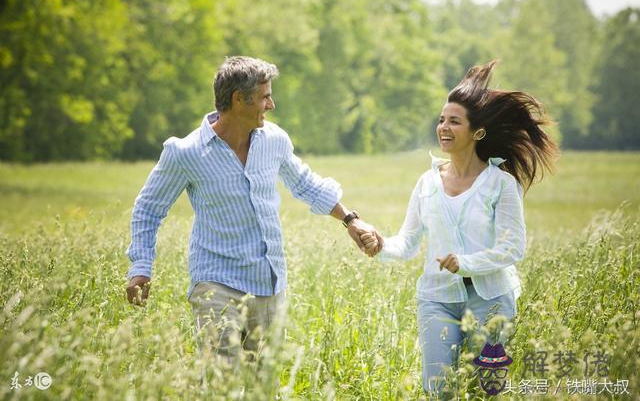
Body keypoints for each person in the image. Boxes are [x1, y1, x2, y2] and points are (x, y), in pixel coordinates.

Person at [125, 56, 382, 368]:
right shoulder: (186, 152)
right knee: (223, 381)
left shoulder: (274, 140)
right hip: (215, 284)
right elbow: (149, 209)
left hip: (269, 284)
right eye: (264, 96)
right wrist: (141, 266)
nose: (271, 104)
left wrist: (350, 220)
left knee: (263, 385)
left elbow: (305, 183)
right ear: (238, 99)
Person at [361, 60, 557, 394]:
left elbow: (513, 248)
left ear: (477, 132)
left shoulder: (500, 184)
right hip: (437, 297)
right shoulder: (427, 182)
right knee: (438, 388)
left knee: (487, 388)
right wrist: (380, 245)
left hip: (491, 299)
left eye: (454, 121)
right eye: (441, 120)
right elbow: (407, 242)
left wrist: (466, 263)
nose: (443, 128)